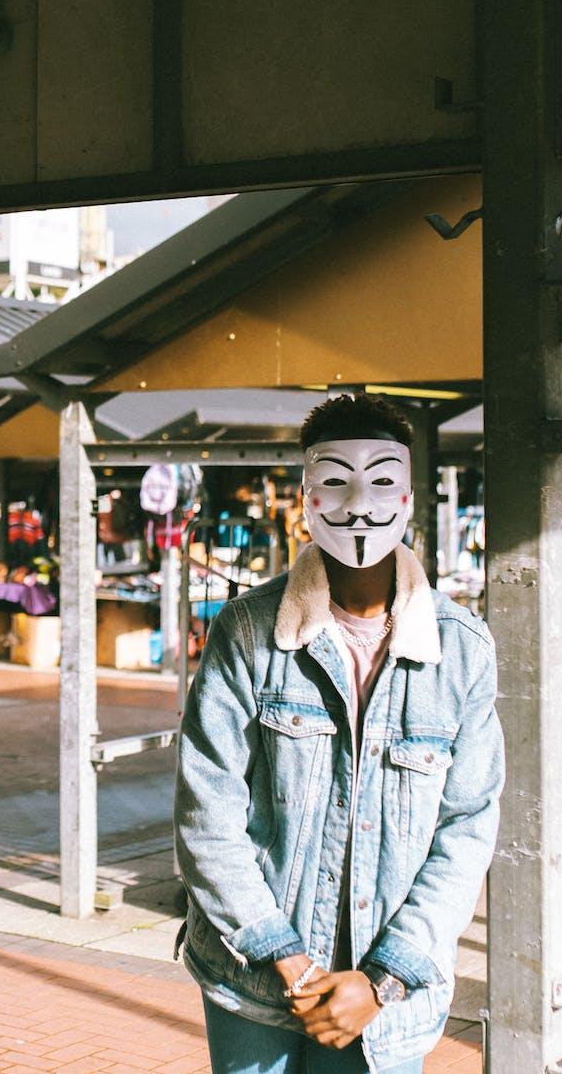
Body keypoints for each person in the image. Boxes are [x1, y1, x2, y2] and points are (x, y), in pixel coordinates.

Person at [175, 394, 503, 1073]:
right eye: (335, 480)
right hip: (252, 981)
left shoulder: (463, 648)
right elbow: (207, 811)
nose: (359, 502)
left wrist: (379, 980)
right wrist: (288, 960)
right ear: (306, 496)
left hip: (386, 1002)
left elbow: (467, 827)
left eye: (381, 479)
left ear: (409, 495)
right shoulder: (245, 632)